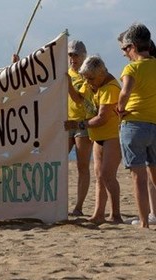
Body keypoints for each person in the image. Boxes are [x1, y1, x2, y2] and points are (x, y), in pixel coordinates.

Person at [65, 55, 122, 224]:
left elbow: (102, 118)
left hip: (112, 135)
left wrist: (79, 125)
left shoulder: (110, 87)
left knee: (107, 175)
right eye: (86, 78)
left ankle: (116, 214)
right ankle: (99, 214)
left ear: (101, 74)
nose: (88, 82)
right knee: (99, 175)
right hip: (97, 137)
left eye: (90, 78)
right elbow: (78, 99)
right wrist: (68, 83)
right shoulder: (90, 83)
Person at [115, 23, 156, 228]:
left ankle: (143, 222)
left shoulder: (131, 68)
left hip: (134, 124)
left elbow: (125, 92)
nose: (124, 54)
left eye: (125, 49)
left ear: (132, 46)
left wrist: (120, 109)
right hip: (154, 123)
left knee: (138, 177)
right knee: (154, 175)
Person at [66, 40, 93, 217]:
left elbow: (78, 99)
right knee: (58, 162)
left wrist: (67, 82)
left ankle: (79, 206)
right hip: (66, 123)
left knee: (82, 166)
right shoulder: (65, 73)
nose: (73, 58)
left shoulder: (87, 75)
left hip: (83, 124)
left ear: (84, 56)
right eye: (70, 55)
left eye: (76, 55)